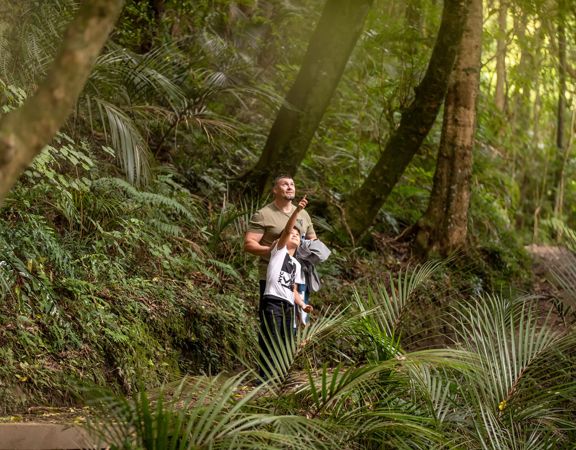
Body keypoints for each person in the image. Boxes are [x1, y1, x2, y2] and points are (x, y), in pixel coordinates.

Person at [258, 195, 313, 379]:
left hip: (289, 304)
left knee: (286, 342)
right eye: (293, 234)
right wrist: (297, 211)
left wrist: (303, 305)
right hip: (273, 301)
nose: (295, 236)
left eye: (299, 235)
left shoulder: (296, 265)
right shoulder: (278, 251)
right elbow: (288, 230)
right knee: (271, 338)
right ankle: (264, 379)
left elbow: (294, 289)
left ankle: (281, 377)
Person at [244, 175, 316, 313]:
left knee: (293, 323)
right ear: (275, 190)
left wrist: (311, 253)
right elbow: (248, 244)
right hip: (271, 277)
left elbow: (312, 240)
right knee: (271, 322)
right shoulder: (264, 214)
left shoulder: (304, 214)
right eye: (285, 184)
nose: (290, 187)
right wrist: (271, 250)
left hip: (296, 275)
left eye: (292, 184)